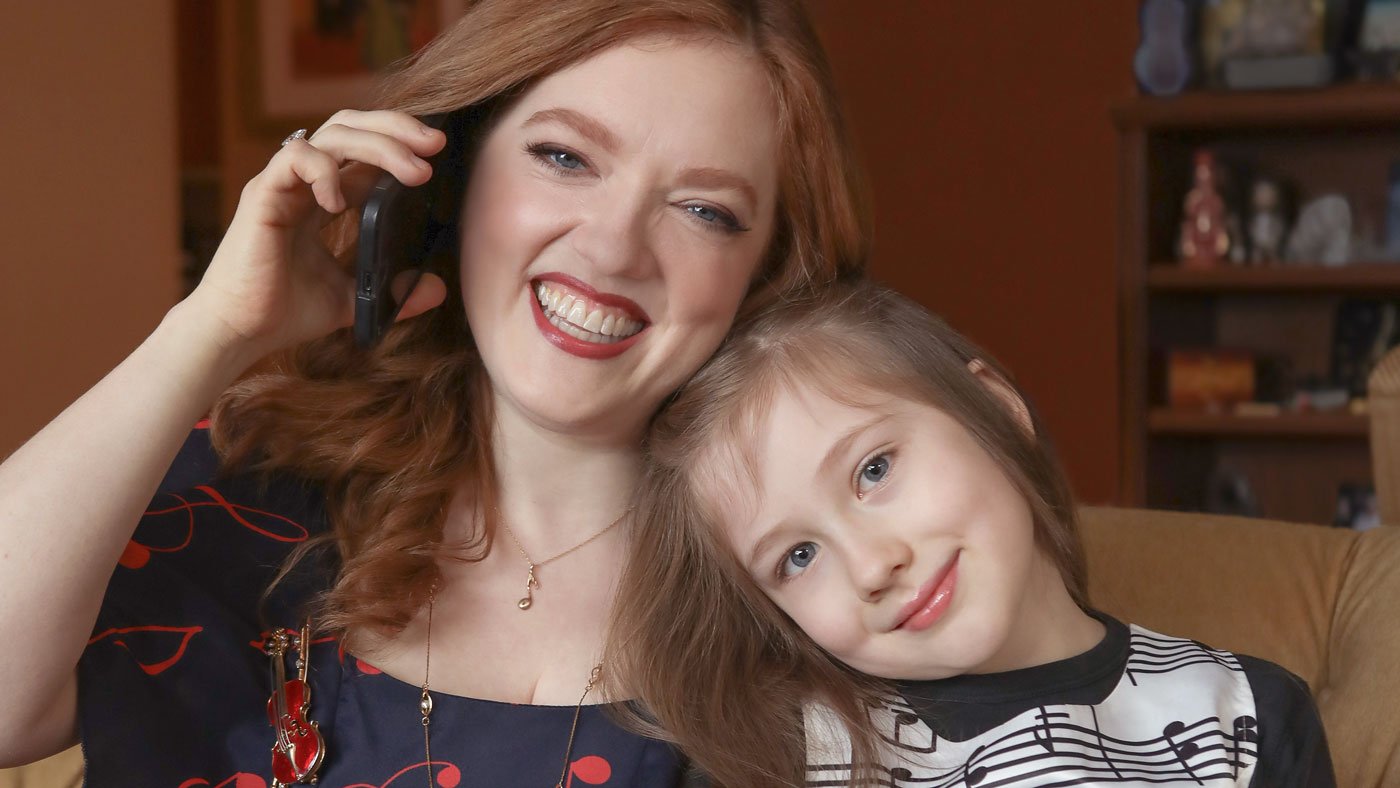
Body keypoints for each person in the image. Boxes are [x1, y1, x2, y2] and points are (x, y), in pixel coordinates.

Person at [0, 0, 867, 784]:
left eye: (704, 210)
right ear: (450, 173)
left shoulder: (810, 596)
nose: (612, 250)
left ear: (765, 278)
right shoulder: (251, 492)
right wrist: (214, 327)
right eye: (563, 157)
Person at [610, 280, 1335, 787]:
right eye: (798, 556)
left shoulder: (1242, 714)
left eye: (873, 470)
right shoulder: (778, 752)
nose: (872, 565)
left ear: (993, 408)